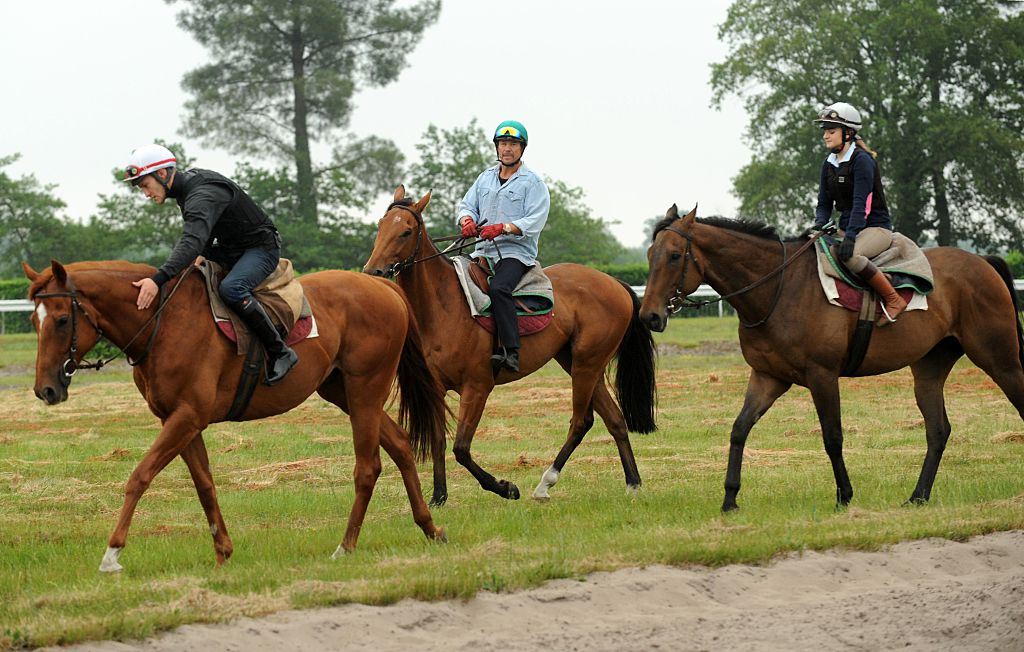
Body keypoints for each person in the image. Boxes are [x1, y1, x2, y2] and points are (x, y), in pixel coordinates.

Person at [124, 143, 299, 384]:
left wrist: (158, 279)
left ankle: (281, 352)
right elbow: (206, 233)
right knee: (187, 276)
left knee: (231, 289)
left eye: (145, 185)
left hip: (260, 249)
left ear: (162, 174)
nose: (145, 193)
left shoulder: (201, 193)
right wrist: (199, 256)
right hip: (229, 250)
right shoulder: (187, 190)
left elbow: (192, 241)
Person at [457, 120, 551, 372]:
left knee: (499, 288)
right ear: (497, 147)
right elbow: (467, 205)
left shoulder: (532, 183)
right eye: (503, 144)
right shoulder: (484, 178)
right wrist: (466, 219)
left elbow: (535, 219)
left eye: (512, 144)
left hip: (515, 254)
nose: (507, 149)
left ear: (522, 149)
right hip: (481, 251)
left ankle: (511, 351)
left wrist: (503, 227)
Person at [813, 102, 907, 326]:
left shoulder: (863, 161)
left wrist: (852, 235)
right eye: (825, 130)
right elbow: (824, 203)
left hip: (875, 228)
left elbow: (861, 205)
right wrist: (819, 224)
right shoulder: (828, 163)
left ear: (848, 133)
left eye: (831, 130)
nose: (826, 135)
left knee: (850, 256)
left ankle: (893, 300)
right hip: (848, 227)